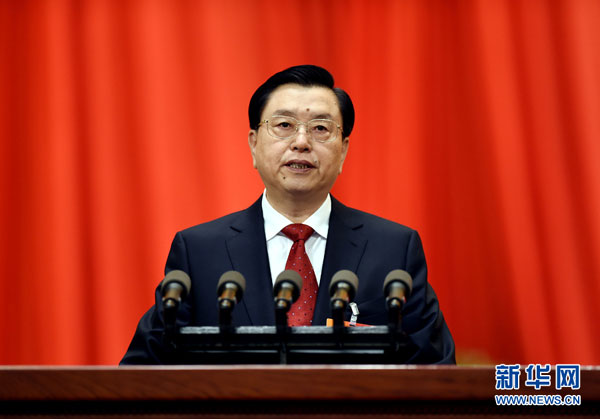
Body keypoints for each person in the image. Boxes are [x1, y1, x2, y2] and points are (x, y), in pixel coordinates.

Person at [121, 65, 455, 364]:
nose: (301, 142)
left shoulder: (393, 250)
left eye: (321, 129)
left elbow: (436, 373)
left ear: (344, 151)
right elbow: (143, 373)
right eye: (283, 125)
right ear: (254, 144)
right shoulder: (199, 251)